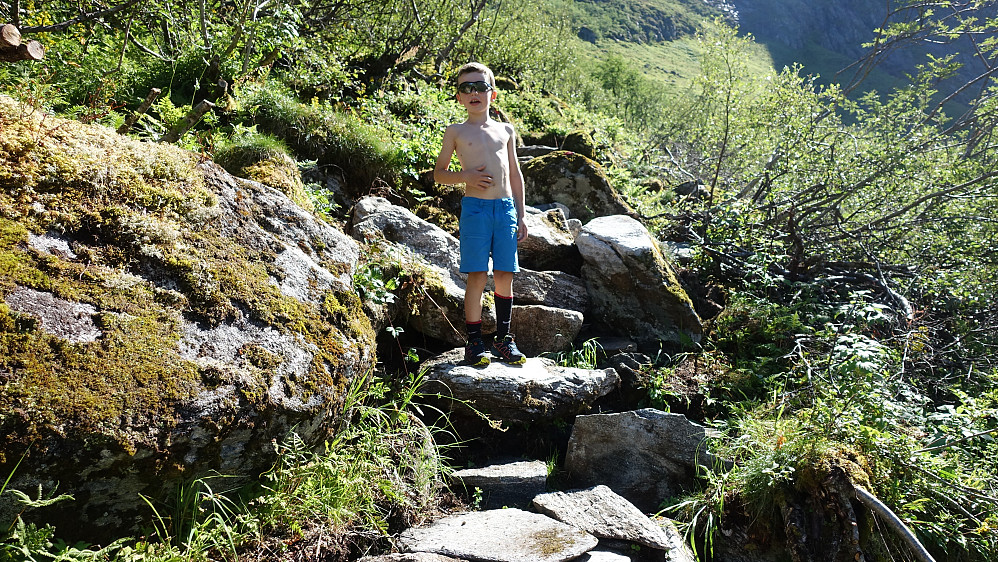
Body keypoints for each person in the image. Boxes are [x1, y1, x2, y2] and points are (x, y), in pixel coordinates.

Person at [434, 62, 528, 366]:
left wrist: (522, 215)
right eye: (466, 88)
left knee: (505, 273)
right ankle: (474, 343)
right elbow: (439, 174)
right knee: (476, 274)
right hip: (475, 209)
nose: (473, 92)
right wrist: (467, 176)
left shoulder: (505, 131)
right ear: (459, 97)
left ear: (493, 94)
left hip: (505, 209)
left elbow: (515, 175)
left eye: (480, 86)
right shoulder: (456, 131)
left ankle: (503, 339)